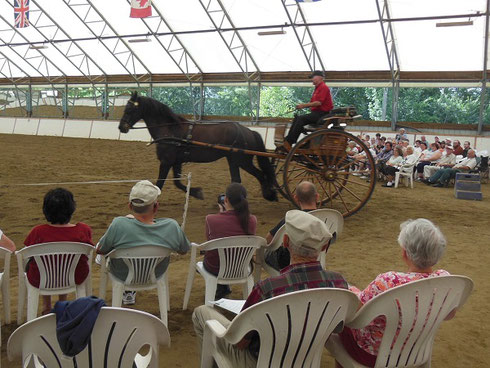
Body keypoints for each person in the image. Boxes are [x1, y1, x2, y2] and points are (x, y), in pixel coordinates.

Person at [192, 210, 347, 367]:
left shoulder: (268, 289)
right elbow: (336, 329)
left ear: (285, 242)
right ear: (324, 247)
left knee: (201, 313)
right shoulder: (339, 284)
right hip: (306, 359)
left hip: (260, 362)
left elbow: (240, 343)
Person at [334, 218, 450, 367]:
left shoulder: (388, 281)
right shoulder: (445, 280)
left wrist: (351, 290)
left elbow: (357, 315)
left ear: (405, 253)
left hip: (374, 355)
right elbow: (449, 314)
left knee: (340, 323)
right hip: (416, 350)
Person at [97, 180, 189, 305]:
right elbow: (183, 250)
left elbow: (101, 250)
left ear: (130, 206)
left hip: (123, 274)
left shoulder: (119, 224)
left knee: (101, 256)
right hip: (156, 273)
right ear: (156, 206)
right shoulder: (171, 226)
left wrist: (129, 221)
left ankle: (127, 292)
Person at [24, 188, 94, 315]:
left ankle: (46, 304)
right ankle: (62, 300)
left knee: (44, 263)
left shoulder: (38, 232)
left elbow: (28, 252)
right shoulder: (83, 230)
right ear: (71, 209)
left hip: (41, 279)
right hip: (74, 276)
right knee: (66, 263)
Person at [204, 183, 257, 300]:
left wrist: (222, 213)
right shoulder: (252, 220)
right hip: (242, 267)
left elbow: (210, 243)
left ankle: (221, 288)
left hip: (216, 268)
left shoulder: (211, 219)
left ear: (226, 200)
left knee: (213, 254)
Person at [264, 181, 319, 271]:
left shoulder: (290, 218)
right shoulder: (327, 218)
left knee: (265, 252)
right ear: (317, 197)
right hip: (317, 257)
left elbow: (269, 239)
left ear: (296, 198)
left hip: (290, 261)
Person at [283, 70, 333, 149]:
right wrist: (307, 106)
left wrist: (303, 105)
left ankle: (290, 141)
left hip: (322, 114)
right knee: (297, 118)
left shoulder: (323, 87)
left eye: (313, 77)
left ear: (319, 77)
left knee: (301, 119)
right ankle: (288, 140)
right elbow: (314, 103)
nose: (312, 79)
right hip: (316, 113)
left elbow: (319, 103)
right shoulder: (317, 88)